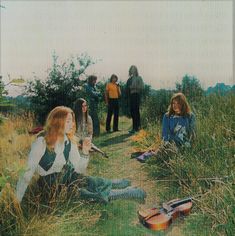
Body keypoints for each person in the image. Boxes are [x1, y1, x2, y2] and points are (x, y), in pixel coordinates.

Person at [16, 106, 146, 204]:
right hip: (51, 186)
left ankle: (115, 184)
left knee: (90, 181)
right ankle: (127, 192)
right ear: (57, 122)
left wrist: (84, 153)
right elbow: (26, 175)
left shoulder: (69, 141)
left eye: (72, 121)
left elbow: (79, 170)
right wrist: (16, 202)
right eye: (68, 121)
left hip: (69, 177)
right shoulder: (41, 142)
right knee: (86, 194)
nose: (72, 124)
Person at [134, 93, 196, 162]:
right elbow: (165, 133)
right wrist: (168, 144)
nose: (175, 106)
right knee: (167, 153)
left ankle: (157, 154)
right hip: (170, 144)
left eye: (178, 103)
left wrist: (189, 144)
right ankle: (150, 155)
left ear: (183, 104)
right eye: (173, 103)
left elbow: (192, 132)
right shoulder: (167, 116)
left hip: (185, 144)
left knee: (179, 156)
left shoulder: (190, 116)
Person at [126, 65, 144, 134]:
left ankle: (138, 128)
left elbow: (142, 86)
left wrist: (134, 87)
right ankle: (134, 128)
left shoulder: (139, 77)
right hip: (131, 96)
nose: (132, 70)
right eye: (131, 69)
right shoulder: (129, 79)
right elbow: (127, 88)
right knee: (132, 112)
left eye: (134, 69)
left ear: (136, 70)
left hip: (136, 95)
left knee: (136, 111)